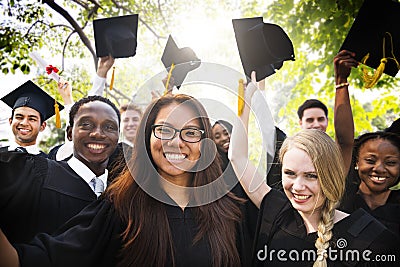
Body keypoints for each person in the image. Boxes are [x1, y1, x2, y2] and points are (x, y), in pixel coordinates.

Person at [0, 93, 251, 267]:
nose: (176, 141)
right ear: (146, 138)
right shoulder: (122, 206)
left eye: (191, 132)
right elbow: (44, 257)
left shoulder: (229, 209)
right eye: (163, 130)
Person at [229, 76, 399, 266]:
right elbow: (237, 157)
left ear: (331, 176)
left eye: (311, 176)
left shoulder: (371, 240)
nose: (298, 187)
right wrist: (245, 100)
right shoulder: (278, 211)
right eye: (290, 173)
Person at [0, 95, 120, 244]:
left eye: (109, 127)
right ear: (69, 133)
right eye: (86, 124)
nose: (97, 133)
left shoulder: (122, 193)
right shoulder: (37, 174)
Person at [340, 131, 400, 237]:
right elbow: (344, 141)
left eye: (391, 163)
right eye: (370, 160)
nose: (379, 169)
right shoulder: (341, 198)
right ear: (357, 162)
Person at [0, 80, 71, 157]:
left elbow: (74, 143)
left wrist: (68, 99)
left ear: (42, 126)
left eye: (32, 119)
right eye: (19, 117)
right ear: (10, 121)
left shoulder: (50, 163)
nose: (24, 123)